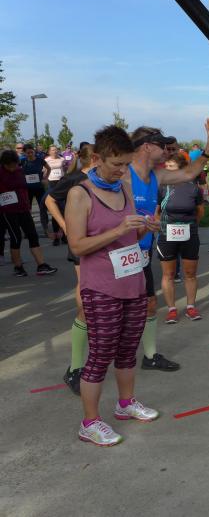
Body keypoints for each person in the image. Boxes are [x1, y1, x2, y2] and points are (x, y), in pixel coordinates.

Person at [65, 125, 162, 446]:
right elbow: (77, 245)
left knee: (127, 349)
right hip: (101, 286)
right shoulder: (80, 194)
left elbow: (130, 236)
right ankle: (90, 422)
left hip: (133, 281)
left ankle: (126, 403)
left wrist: (146, 227)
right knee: (101, 354)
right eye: (117, 164)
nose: (123, 171)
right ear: (96, 158)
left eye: (126, 164)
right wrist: (119, 228)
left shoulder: (125, 188)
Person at [126, 125, 209, 371]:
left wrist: (208, 150)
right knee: (108, 313)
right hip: (116, 254)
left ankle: (150, 356)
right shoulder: (122, 175)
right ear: (146, 147)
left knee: (149, 305)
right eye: (161, 145)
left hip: (141, 252)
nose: (167, 150)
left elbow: (189, 174)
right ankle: (79, 366)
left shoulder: (156, 175)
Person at [46, 143, 96, 394]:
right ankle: (76, 366)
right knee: (84, 290)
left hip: (99, 240)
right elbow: (49, 200)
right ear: (94, 159)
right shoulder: (74, 179)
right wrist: (65, 225)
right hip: (80, 240)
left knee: (91, 290)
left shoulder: (103, 180)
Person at [156, 152, 205, 323]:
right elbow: (157, 212)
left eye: (171, 166)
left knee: (190, 273)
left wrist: (190, 225)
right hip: (166, 234)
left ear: (181, 168)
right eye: (166, 166)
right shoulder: (162, 186)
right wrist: (162, 227)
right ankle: (171, 309)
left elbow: (200, 211)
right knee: (168, 274)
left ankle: (191, 307)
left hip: (189, 233)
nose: (167, 169)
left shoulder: (193, 187)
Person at [0, 149, 58, 277]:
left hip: (23, 208)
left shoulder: (20, 170)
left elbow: (26, 185)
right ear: (4, 164)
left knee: (33, 235)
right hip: (8, 211)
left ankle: (41, 265)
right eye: (10, 166)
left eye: (15, 165)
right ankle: (18, 267)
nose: (13, 168)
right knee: (16, 238)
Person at [21, 144, 49, 236]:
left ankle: (46, 229)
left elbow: (49, 168)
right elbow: (16, 170)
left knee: (42, 208)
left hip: (39, 188)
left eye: (31, 152)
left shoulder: (40, 160)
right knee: (27, 209)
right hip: (27, 189)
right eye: (28, 153)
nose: (30, 154)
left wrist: (45, 178)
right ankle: (28, 231)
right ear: (24, 153)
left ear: (34, 151)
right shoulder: (23, 161)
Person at [44, 144, 67, 245]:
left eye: (56, 149)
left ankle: (64, 236)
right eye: (53, 150)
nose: (55, 151)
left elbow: (65, 170)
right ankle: (56, 237)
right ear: (49, 152)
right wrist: (45, 180)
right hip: (52, 184)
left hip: (61, 183)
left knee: (64, 210)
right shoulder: (46, 160)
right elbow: (44, 171)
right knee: (55, 210)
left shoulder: (62, 159)